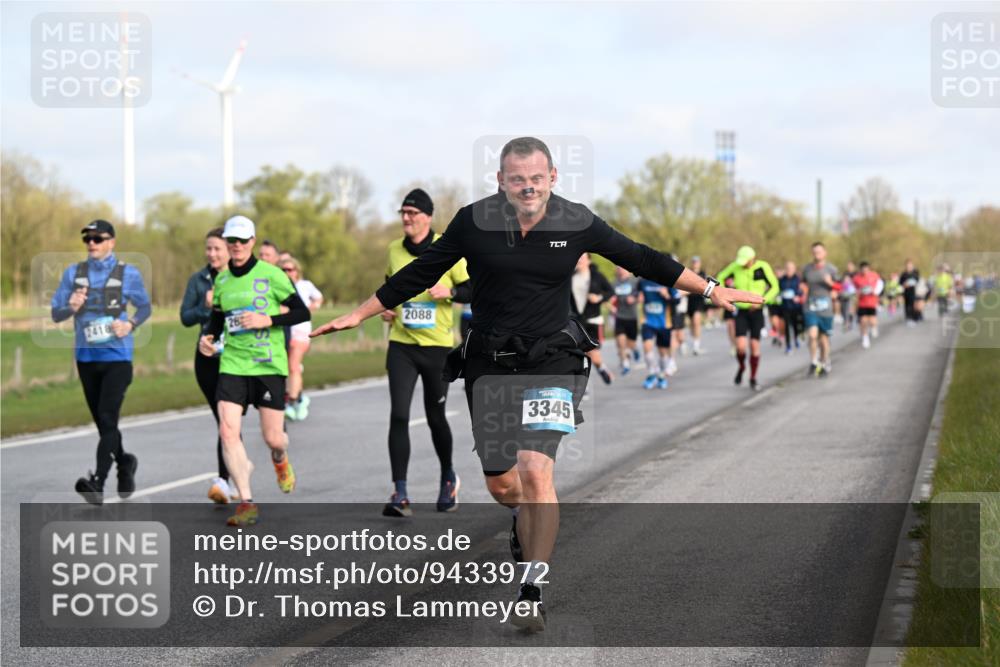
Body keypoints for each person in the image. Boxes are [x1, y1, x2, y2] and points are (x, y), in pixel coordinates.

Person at [312, 137, 762, 630]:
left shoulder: (576, 221)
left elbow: (642, 258)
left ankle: (531, 591)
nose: (527, 187)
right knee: (504, 483)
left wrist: (711, 288)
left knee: (535, 470)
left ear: (552, 178)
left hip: (554, 358)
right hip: (489, 359)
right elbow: (420, 272)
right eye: (516, 178)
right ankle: (521, 520)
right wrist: (358, 314)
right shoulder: (473, 221)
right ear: (500, 181)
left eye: (536, 177)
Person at [198, 216, 311, 526]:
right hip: (233, 364)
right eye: (231, 241)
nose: (236, 246)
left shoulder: (272, 275)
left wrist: (268, 320)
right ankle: (247, 502)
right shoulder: (221, 281)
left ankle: (280, 460)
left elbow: (301, 311)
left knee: (274, 439)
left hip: (266, 366)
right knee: (227, 431)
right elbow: (218, 320)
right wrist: (208, 339)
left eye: (242, 241)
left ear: (251, 242)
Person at [380, 188, 471, 517]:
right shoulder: (393, 249)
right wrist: (386, 309)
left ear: (428, 217)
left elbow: (475, 287)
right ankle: (400, 492)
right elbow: (389, 286)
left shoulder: (448, 249)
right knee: (399, 415)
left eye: (413, 213)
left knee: (435, 418)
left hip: (437, 349)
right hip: (402, 345)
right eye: (403, 212)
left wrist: (452, 291)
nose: (407, 218)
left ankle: (448, 477)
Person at [51, 219, 151, 505]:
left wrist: (130, 324)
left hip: (117, 357)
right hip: (86, 357)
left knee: (108, 417)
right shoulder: (74, 273)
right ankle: (125, 461)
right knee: (104, 424)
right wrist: (69, 307)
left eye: (98, 238)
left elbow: (144, 307)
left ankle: (98, 481)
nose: (91, 243)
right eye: (87, 239)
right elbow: (56, 314)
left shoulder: (128, 274)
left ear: (112, 242)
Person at [181, 227, 237, 504]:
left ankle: (233, 473)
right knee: (224, 420)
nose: (212, 253)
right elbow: (185, 317)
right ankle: (225, 480)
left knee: (230, 421)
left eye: (217, 248)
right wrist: (206, 307)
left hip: (238, 358)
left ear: (229, 249)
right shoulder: (198, 279)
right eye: (209, 248)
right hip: (207, 359)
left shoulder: (241, 278)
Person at [716, 246, 779, 391]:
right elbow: (720, 277)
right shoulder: (735, 266)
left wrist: (764, 300)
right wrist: (727, 293)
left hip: (756, 311)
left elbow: (775, 286)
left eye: (745, 261)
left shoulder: (762, 267)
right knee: (740, 346)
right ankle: (742, 366)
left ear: (752, 259)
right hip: (741, 311)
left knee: (755, 346)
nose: (743, 264)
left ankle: (753, 377)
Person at [278, 256, 323, 421]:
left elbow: (318, 297)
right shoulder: (278, 287)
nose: (287, 273)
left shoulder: (305, 286)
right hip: (284, 331)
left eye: (290, 269)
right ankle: (299, 399)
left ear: (297, 271)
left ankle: (291, 401)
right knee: (288, 368)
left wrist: (311, 308)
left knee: (293, 365)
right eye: (283, 270)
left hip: (301, 331)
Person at [570, 253, 615, 384]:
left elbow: (611, 292)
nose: (579, 260)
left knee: (592, 355)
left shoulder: (597, 276)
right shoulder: (570, 277)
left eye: (582, 258)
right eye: (577, 258)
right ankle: (584, 387)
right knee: (579, 355)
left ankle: (602, 368)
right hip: (577, 321)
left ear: (589, 261)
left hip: (593, 321)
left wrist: (599, 298)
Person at [801, 242, 840, 376]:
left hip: (826, 308)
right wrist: (802, 289)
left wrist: (831, 284)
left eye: (819, 251)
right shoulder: (807, 269)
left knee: (823, 339)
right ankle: (813, 361)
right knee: (812, 335)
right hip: (811, 306)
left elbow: (841, 287)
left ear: (825, 253)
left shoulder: (831, 269)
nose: (816, 254)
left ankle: (825, 361)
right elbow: (803, 283)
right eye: (814, 251)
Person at [638, 277, 674, 389]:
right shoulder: (642, 281)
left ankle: (661, 376)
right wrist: (638, 297)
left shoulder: (668, 281)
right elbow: (636, 293)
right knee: (647, 347)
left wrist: (667, 296)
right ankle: (651, 374)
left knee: (663, 353)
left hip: (664, 323)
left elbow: (677, 301)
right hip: (648, 321)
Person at [610, 266, 640, 374]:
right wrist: (611, 306)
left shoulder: (635, 282)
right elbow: (609, 298)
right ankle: (625, 364)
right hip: (619, 316)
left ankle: (634, 349)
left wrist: (635, 299)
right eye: (618, 268)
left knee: (630, 343)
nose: (621, 270)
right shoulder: (614, 284)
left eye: (623, 268)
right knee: (621, 342)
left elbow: (641, 295)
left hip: (632, 316)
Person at [851, 261, 882, 349]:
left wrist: (875, 291)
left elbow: (880, 284)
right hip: (862, 303)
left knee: (872, 321)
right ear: (860, 269)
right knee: (863, 321)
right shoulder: (856, 278)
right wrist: (858, 292)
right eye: (863, 269)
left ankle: (874, 328)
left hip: (872, 302)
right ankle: (865, 338)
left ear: (869, 269)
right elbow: (852, 288)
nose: (864, 271)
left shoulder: (874, 275)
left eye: (866, 269)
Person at [684, 256, 709, 355]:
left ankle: (696, 345)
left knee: (696, 321)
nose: (695, 264)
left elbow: (704, 286)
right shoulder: (688, 272)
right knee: (691, 324)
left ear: (699, 263)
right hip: (689, 301)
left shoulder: (702, 274)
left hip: (698, 300)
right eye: (694, 262)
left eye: (697, 262)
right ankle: (694, 340)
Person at [778, 261, 804, 354]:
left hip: (795, 307)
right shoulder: (781, 280)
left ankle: (796, 338)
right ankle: (788, 346)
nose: (789, 270)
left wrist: (798, 296)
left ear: (794, 269)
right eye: (787, 268)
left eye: (791, 268)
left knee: (795, 325)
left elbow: (802, 291)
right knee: (786, 327)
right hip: (785, 306)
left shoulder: (798, 279)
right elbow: (778, 290)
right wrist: (779, 296)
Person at [900, 260, 921, 326]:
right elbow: (900, 282)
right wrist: (904, 284)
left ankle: (914, 318)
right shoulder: (904, 274)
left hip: (913, 292)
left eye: (910, 265)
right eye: (908, 265)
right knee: (907, 305)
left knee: (913, 305)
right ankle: (908, 318)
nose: (909, 266)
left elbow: (917, 280)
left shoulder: (915, 273)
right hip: (906, 292)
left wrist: (912, 283)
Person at [838, 261, 857, 332]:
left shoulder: (856, 274)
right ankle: (846, 321)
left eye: (850, 266)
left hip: (853, 294)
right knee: (843, 309)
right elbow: (841, 282)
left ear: (853, 266)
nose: (849, 267)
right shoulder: (845, 273)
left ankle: (849, 322)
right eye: (848, 266)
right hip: (844, 293)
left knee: (850, 308)